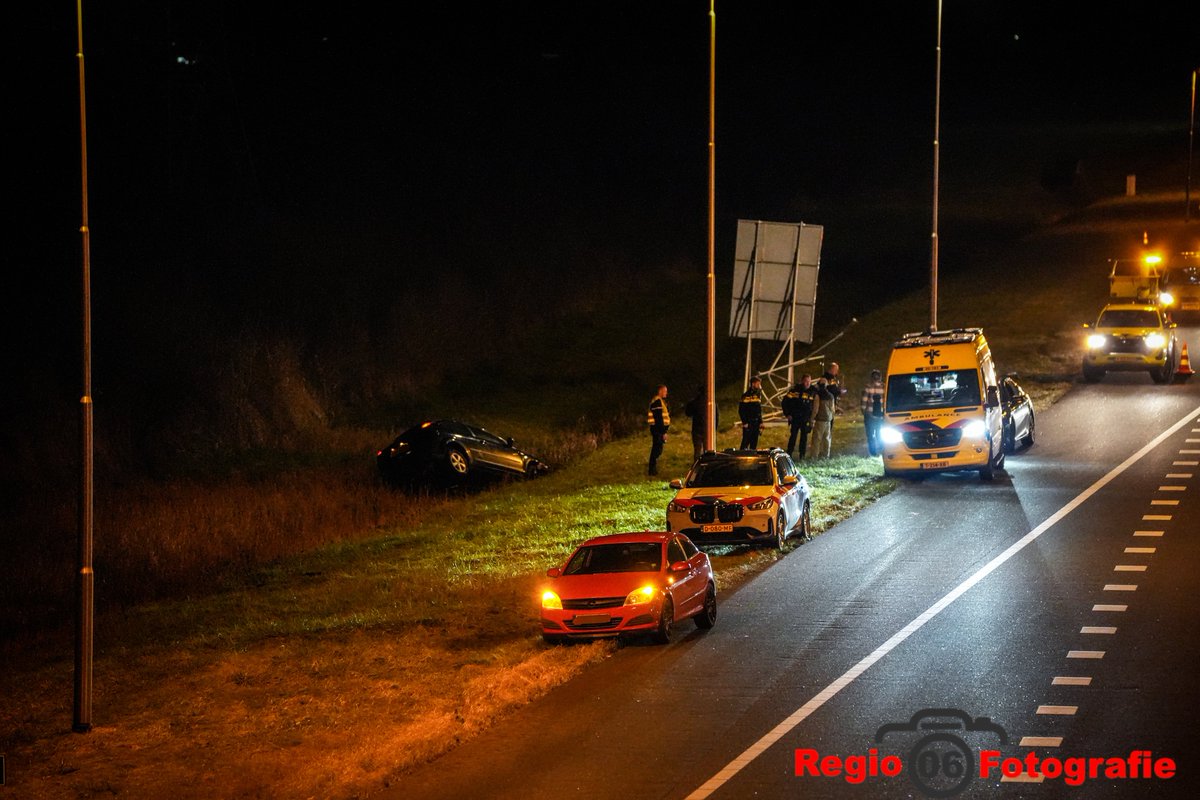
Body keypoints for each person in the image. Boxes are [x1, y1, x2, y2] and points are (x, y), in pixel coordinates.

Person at [781, 374, 817, 460]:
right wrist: (787, 414)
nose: (808, 383)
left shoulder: (813, 391)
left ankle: (802, 455)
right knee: (793, 437)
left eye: (809, 381)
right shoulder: (794, 391)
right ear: (802, 381)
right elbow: (784, 402)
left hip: (805, 419)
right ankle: (789, 454)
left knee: (804, 438)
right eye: (806, 381)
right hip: (795, 418)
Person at [684, 384, 717, 462]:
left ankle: (697, 466)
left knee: (697, 450)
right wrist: (714, 428)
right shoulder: (711, 402)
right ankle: (708, 464)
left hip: (697, 429)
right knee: (708, 450)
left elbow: (688, 413)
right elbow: (716, 415)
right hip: (708, 430)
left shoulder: (695, 402)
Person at [860, 368, 885, 456]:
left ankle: (873, 452)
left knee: (870, 435)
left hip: (870, 415)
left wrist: (863, 411)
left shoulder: (868, 387)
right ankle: (882, 449)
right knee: (879, 433)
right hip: (880, 415)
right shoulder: (884, 387)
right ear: (880, 377)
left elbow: (864, 401)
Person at [646, 384, 670, 475]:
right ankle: (652, 470)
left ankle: (653, 469)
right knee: (657, 449)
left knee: (658, 448)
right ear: (660, 391)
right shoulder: (657, 402)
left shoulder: (660, 402)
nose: (666, 393)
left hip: (658, 429)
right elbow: (658, 418)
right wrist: (663, 432)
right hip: (657, 429)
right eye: (665, 391)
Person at [810, 377, 836, 458]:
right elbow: (833, 409)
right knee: (827, 439)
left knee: (816, 439)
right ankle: (826, 455)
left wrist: (811, 419)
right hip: (828, 420)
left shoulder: (818, 396)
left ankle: (814, 456)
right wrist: (831, 417)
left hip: (820, 420)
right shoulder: (831, 396)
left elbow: (815, 409)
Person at [738, 376, 765, 450]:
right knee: (745, 443)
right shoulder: (745, 396)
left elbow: (759, 411)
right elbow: (741, 410)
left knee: (754, 443)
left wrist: (761, 422)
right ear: (753, 384)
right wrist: (745, 422)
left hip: (756, 423)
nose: (759, 386)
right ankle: (741, 458)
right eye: (758, 384)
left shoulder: (758, 395)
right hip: (748, 423)